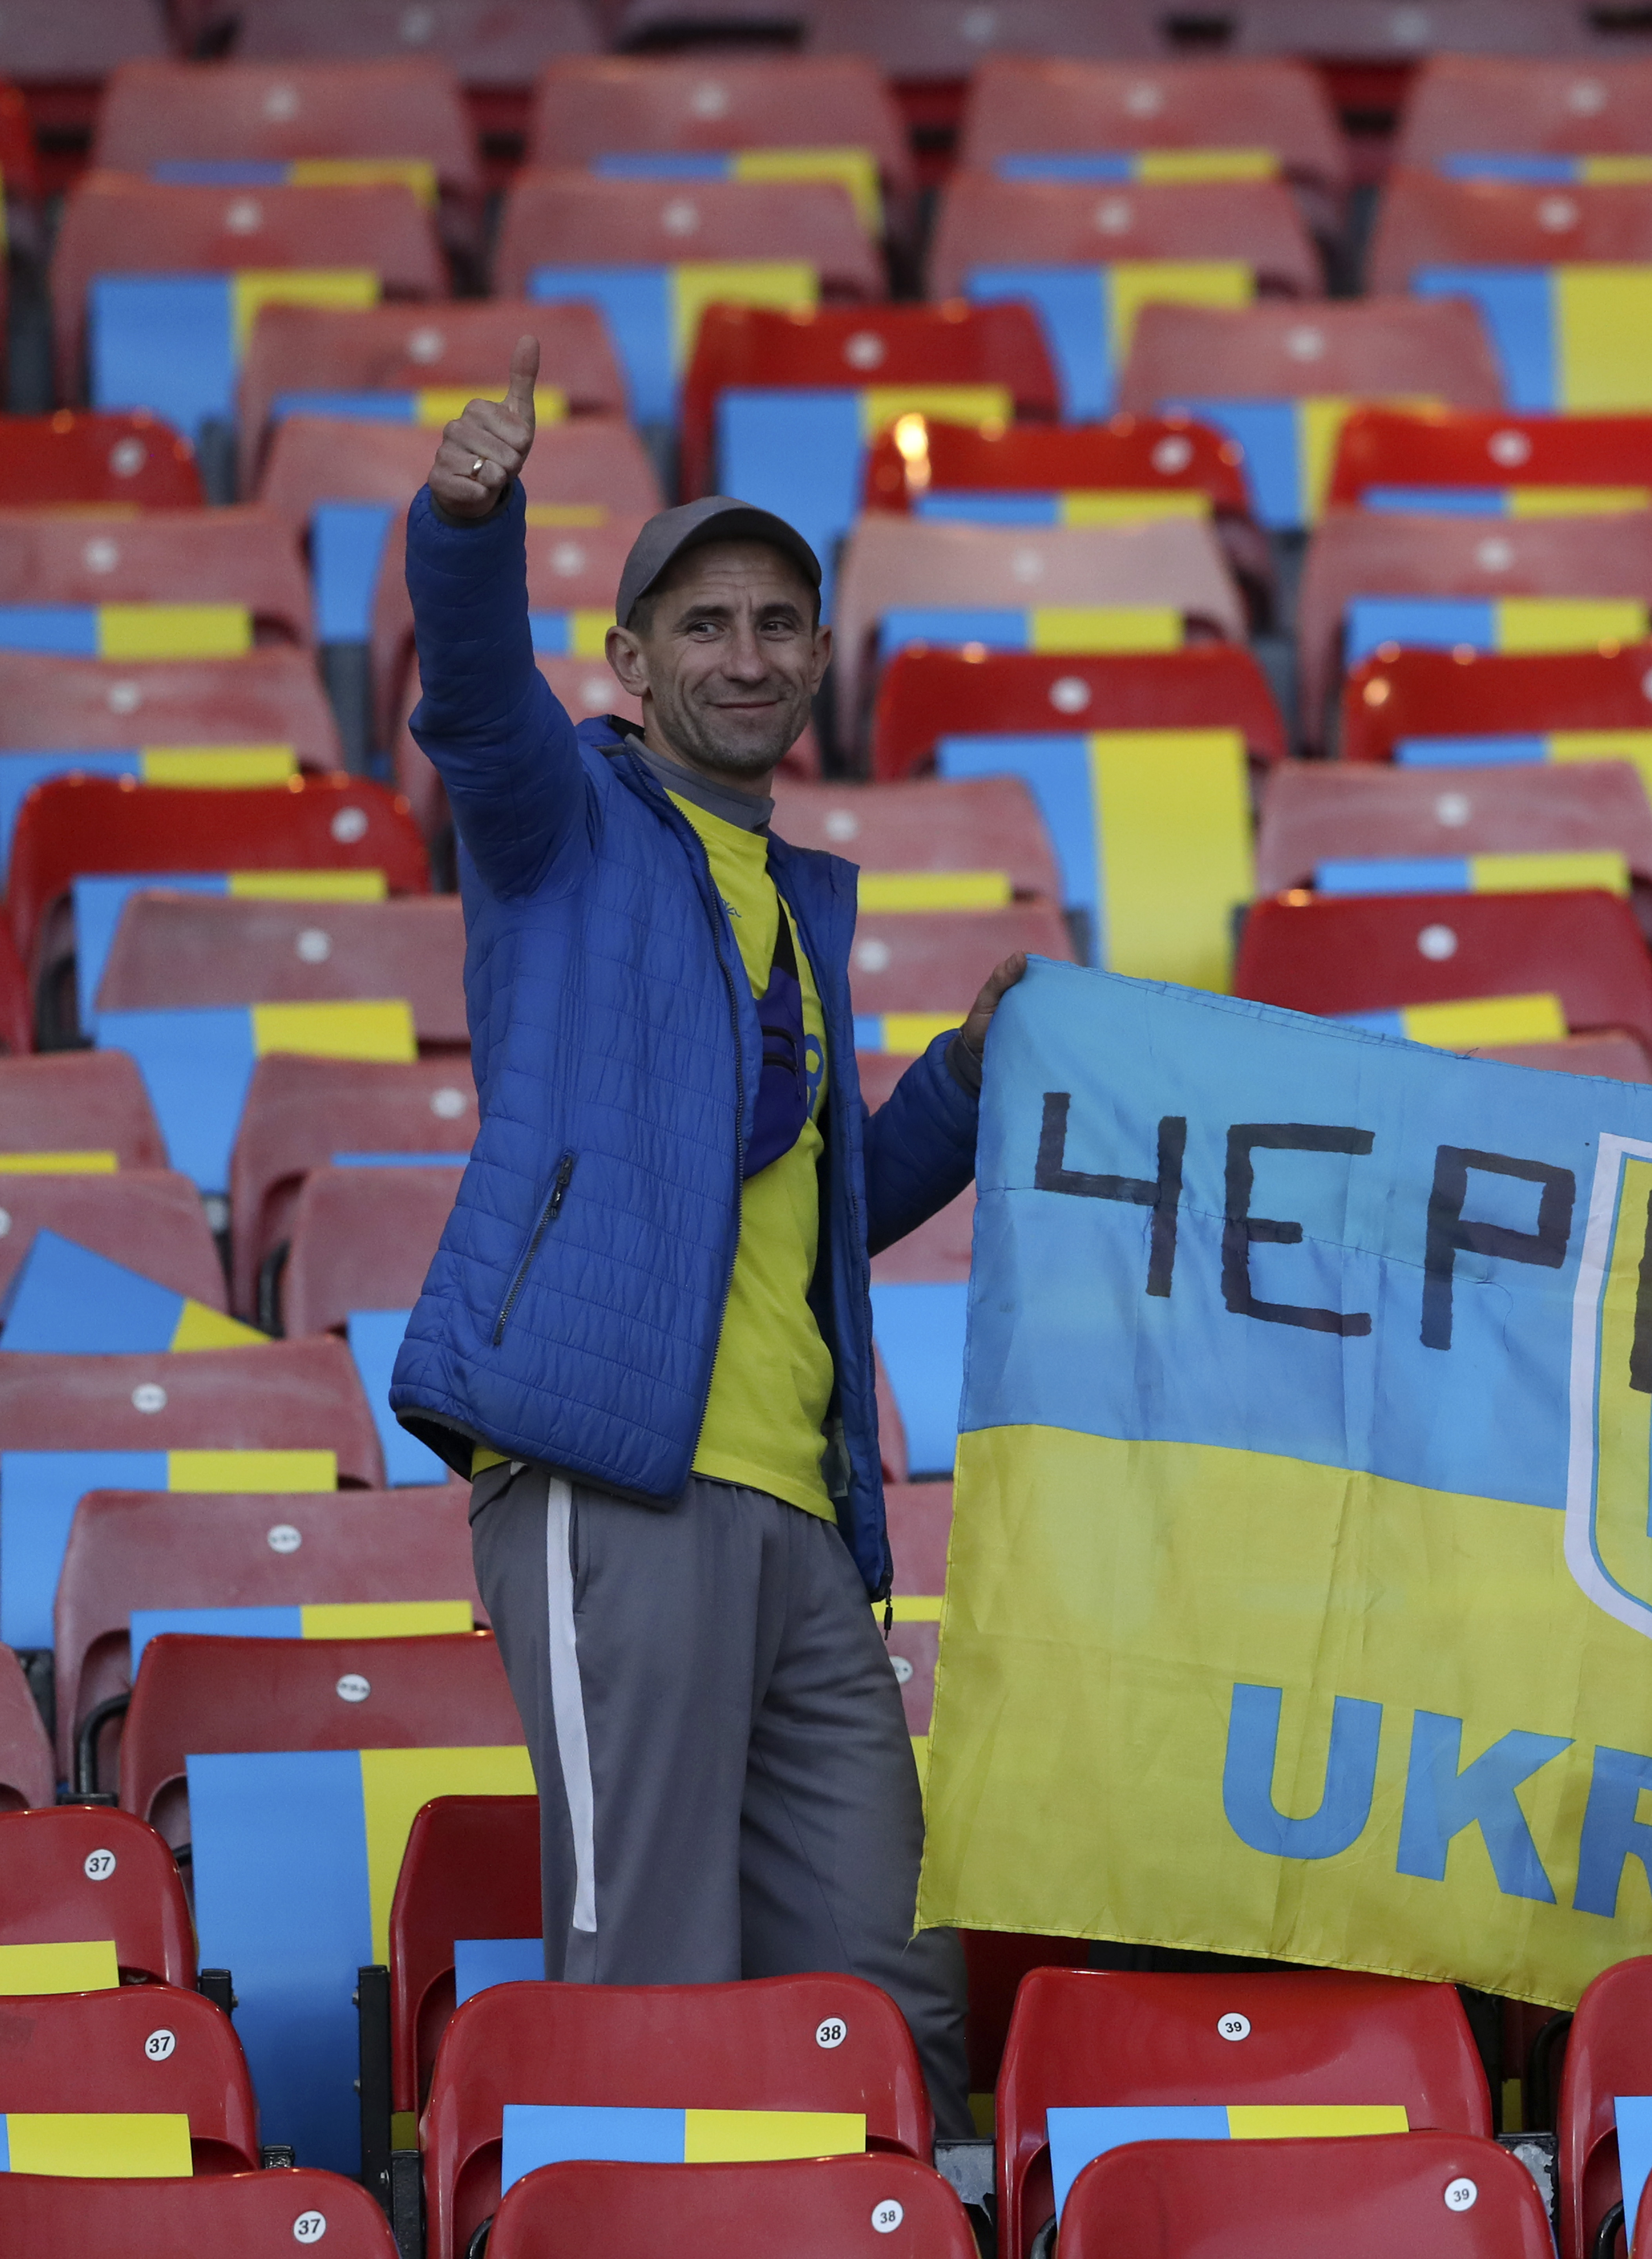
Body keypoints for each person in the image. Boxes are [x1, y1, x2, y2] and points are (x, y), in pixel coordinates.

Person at [388, 339, 1022, 2128]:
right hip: (615, 1487)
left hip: (805, 1525)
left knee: (888, 1994)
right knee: (643, 1979)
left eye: (776, 624)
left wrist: (966, 1081)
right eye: (704, 624)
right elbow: (468, 700)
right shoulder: (560, 822)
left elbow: (826, 1215)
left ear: (819, 661)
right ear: (632, 661)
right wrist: (466, 515)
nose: (744, 654)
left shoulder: (797, 900)